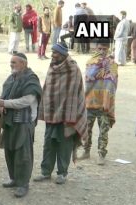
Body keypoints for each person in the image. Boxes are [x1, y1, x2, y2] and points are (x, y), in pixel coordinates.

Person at [34, 42, 87, 185]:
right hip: (52, 114)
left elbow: (75, 94)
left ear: (63, 54)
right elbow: (48, 89)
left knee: (64, 146)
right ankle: (45, 172)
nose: (52, 55)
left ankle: (62, 173)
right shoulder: (52, 66)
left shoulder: (73, 69)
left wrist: (70, 113)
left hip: (67, 116)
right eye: (52, 52)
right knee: (48, 144)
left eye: (55, 53)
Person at [0, 53, 42, 198]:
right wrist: (1, 104)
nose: (11, 65)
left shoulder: (31, 79)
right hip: (10, 121)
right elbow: (4, 95)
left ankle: (23, 184)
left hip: (24, 122)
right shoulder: (12, 77)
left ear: (23, 63)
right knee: (10, 151)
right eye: (10, 62)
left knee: (23, 154)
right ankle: (14, 179)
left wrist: (5, 103)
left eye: (14, 62)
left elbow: (26, 101)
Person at [78, 41, 118, 165]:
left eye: (104, 49)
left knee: (103, 130)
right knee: (87, 129)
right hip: (90, 100)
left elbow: (112, 82)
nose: (102, 51)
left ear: (108, 49)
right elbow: (88, 79)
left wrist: (108, 101)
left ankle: (101, 154)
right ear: (96, 48)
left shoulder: (112, 64)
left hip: (104, 103)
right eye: (99, 48)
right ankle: (86, 151)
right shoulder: (90, 62)